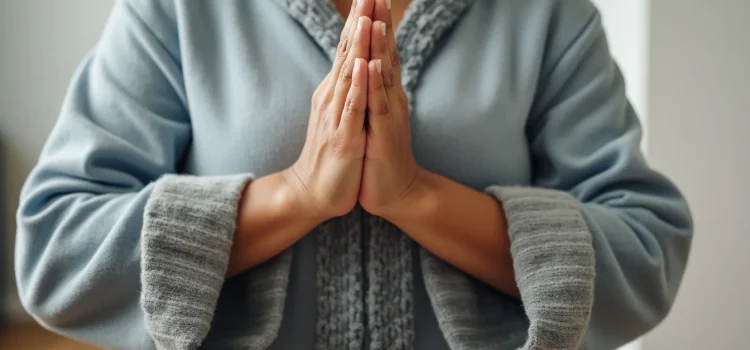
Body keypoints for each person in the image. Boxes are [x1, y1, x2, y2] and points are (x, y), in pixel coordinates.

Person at [15, 0, 693, 349]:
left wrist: (419, 198)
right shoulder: (178, 10)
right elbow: (56, 251)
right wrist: (298, 195)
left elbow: (646, 248)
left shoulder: (545, 14)